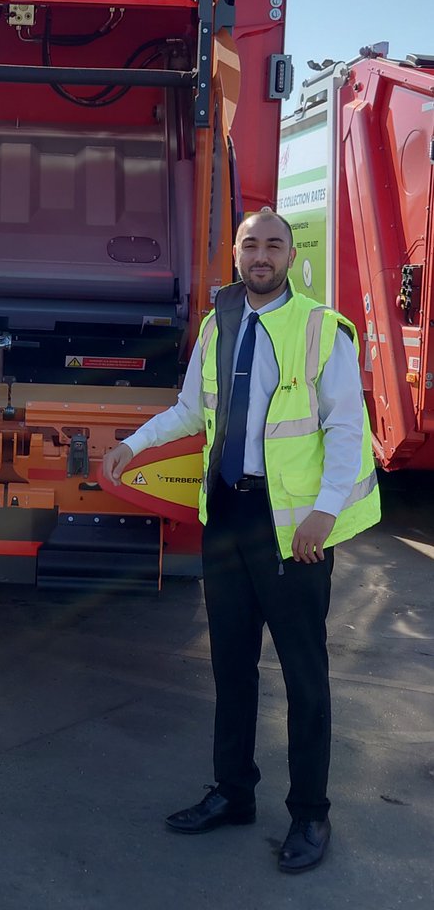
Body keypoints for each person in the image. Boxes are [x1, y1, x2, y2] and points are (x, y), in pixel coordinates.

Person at [102, 209, 380, 874]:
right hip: (227, 518)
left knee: (304, 676)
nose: (261, 255)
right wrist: (132, 446)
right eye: (251, 244)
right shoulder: (218, 321)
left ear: (290, 255)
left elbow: (346, 428)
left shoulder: (320, 329)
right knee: (231, 668)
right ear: (235, 253)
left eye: (273, 245)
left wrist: (324, 510)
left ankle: (311, 815)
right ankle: (233, 792)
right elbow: (191, 410)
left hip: (293, 533)